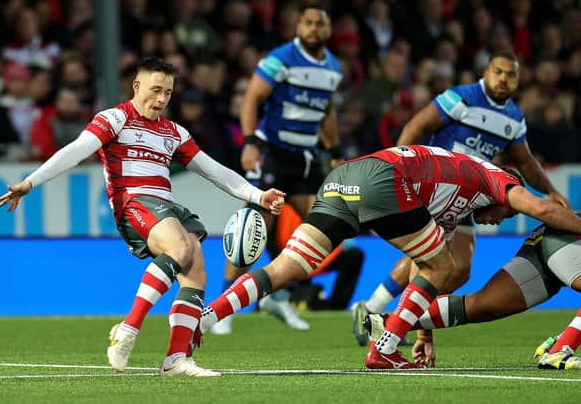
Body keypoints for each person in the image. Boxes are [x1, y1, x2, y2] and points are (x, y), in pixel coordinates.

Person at [0, 57, 285, 377]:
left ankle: (176, 359)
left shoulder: (174, 132)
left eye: (168, 93)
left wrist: (258, 195)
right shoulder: (115, 119)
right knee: (180, 247)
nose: (161, 99)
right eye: (155, 90)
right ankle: (128, 329)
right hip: (133, 202)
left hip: (166, 206)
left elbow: (215, 171)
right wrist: (29, 182)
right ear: (137, 86)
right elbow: (75, 151)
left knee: (196, 269)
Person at [196, 144, 581, 370]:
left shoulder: (454, 203)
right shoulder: (498, 180)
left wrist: (424, 332)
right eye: (505, 214)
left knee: (287, 267)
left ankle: (205, 318)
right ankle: (382, 349)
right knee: (447, 264)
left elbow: (422, 264)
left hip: (345, 176)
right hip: (386, 181)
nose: (498, 220)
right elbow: (544, 210)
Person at [352, 50, 569, 345]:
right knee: (431, 257)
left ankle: (386, 312)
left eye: (511, 74)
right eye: (498, 71)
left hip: (474, 195)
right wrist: (394, 164)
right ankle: (389, 315)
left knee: (460, 269)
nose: (503, 79)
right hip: (438, 186)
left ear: (519, 80)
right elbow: (417, 126)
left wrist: (551, 190)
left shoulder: (514, 118)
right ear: (486, 72)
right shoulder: (461, 97)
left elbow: (526, 163)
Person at [210, 6, 343, 335]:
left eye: (319, 24)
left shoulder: (333, 68)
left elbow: (326, 111)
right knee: (252, 228)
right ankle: (224, 305)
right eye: (308, 22)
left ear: (328, 29)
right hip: (274, 154)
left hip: (306, 158)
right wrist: (250, 142)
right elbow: (252, 99)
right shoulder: (280, 58)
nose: (313, 29)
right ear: (298, 25)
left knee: (322, 229)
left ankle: (276, 296)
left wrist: (335, 151)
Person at [361, 215, 581, 370]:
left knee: (482, 306)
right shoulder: (486, 183)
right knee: (447, 269)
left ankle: (387, 324)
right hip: (570, 237)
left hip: (544, 238)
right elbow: (536, 199)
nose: (502, 219)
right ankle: (561, 350)